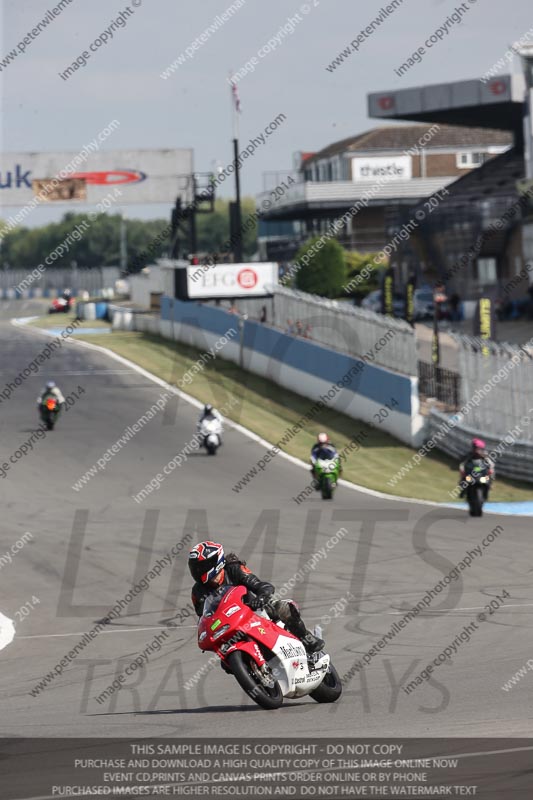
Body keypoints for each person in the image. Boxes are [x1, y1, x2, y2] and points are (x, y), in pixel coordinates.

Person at [188, 541, 325, 654]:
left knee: (281, 607)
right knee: (224, 661)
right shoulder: (197, 592)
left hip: (253, 609)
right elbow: (204, 619)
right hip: (229, 625)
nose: (198, 571)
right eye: (195, 568)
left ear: (215, 562)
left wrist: (261, 597)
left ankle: (307, 638)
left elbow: (260, 585)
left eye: (202, 567)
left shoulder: (233, 568)